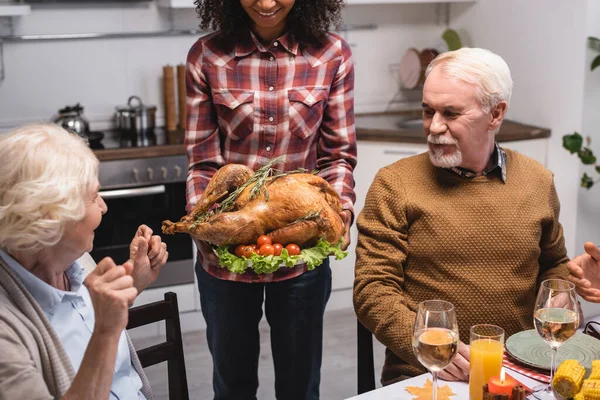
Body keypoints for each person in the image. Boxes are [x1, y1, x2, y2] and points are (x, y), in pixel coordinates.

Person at [353, 47, 570, 385]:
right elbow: (372, 290)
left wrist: (562, 287)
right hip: (428, 373)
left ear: (495, 114)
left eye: (451, 113)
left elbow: (554, 264)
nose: (434, 127)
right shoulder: (394, 184)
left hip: (520, 370)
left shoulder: (538, 180)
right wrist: (426, 345)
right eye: (428, 111)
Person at [185, 0, 357, 398]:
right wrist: (207, 225)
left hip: (302, 249)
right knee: (233, 385)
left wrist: (340, 213)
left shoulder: (332, 55)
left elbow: (337, 156)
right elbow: (203, 163)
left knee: (300, 386)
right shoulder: (207, 57)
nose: (265, 3)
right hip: (227, 252)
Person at [0, 124, 169, 399]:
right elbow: (99, 328)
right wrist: (106, 332)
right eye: (93, 196)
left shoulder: (77, 259)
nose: (103, 206)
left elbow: (83, 320)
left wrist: (135, 282)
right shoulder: (6, 329)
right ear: (50, 219)